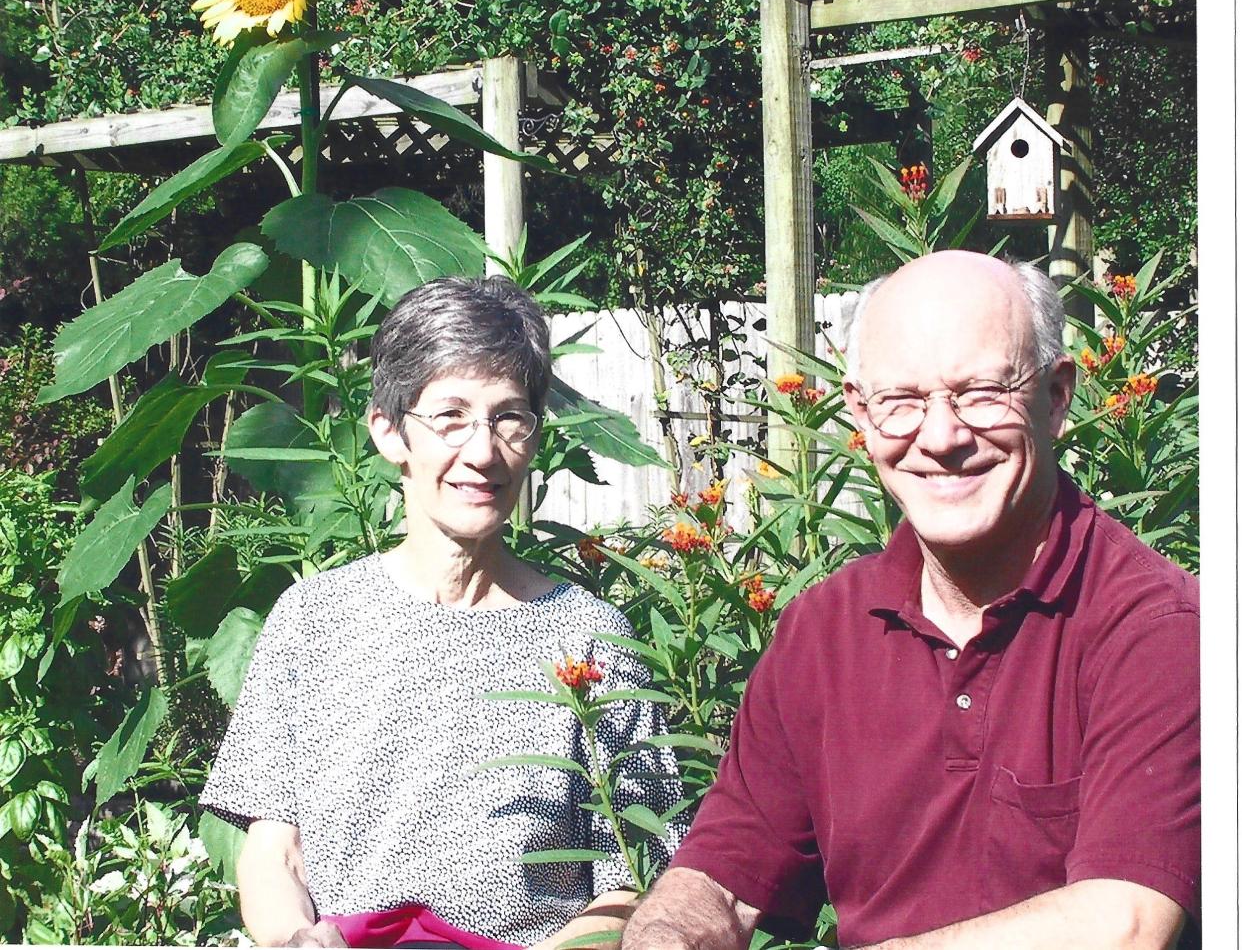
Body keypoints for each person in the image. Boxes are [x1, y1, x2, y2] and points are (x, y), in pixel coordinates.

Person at [621, 251, 1199, 950]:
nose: (942, 436)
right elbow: (726, 873)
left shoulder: (1155, 627)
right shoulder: (824, 630)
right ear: (859, 413)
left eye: (984, 392)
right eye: (901, 402)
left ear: (1056, 398)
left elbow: (1128, 923)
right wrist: (668, 927)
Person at [202, 275, 683, 950]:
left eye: (510, 417)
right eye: (450, 416)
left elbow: (638, 877)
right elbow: (272, 848)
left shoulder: (591, 641)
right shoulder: (312, 621)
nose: (483, 451)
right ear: (389, 431)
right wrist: (296, 938)